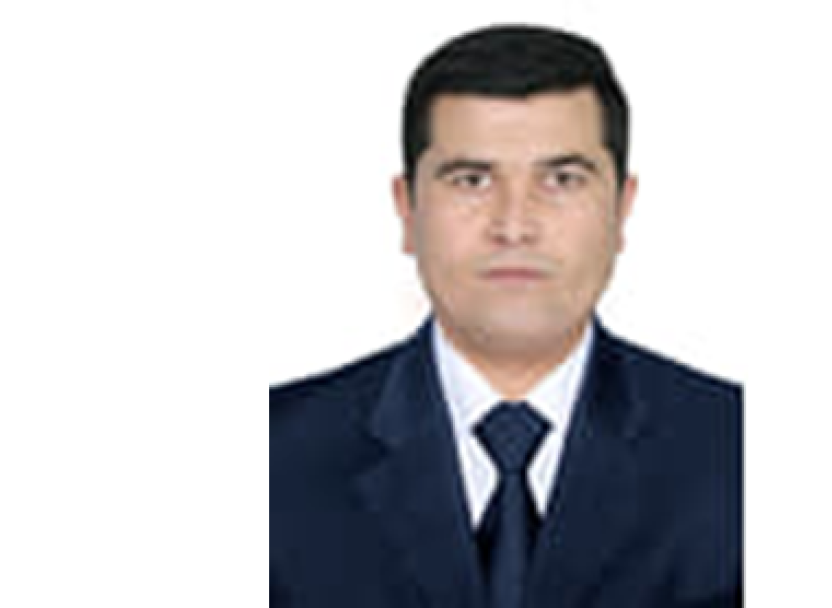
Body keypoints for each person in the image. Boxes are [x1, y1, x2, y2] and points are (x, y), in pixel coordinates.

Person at [271, 24, 742, 608]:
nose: (514, 226)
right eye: (472, 180)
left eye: (562, 179)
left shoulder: (739, 454)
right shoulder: (270, 460)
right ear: (407, 210)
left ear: (621, 210)